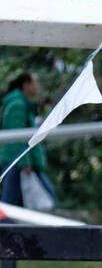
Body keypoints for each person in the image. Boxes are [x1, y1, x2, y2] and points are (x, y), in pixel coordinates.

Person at [1, 71, 54, 209]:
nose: (38, 86)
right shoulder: (18, 105)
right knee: (9, 205)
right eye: (35, 82)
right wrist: (24, 164)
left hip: (19, 161)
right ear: (26, 85)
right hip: (18, 161)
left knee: (10, 204)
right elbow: (17, 136)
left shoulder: (21, 103)